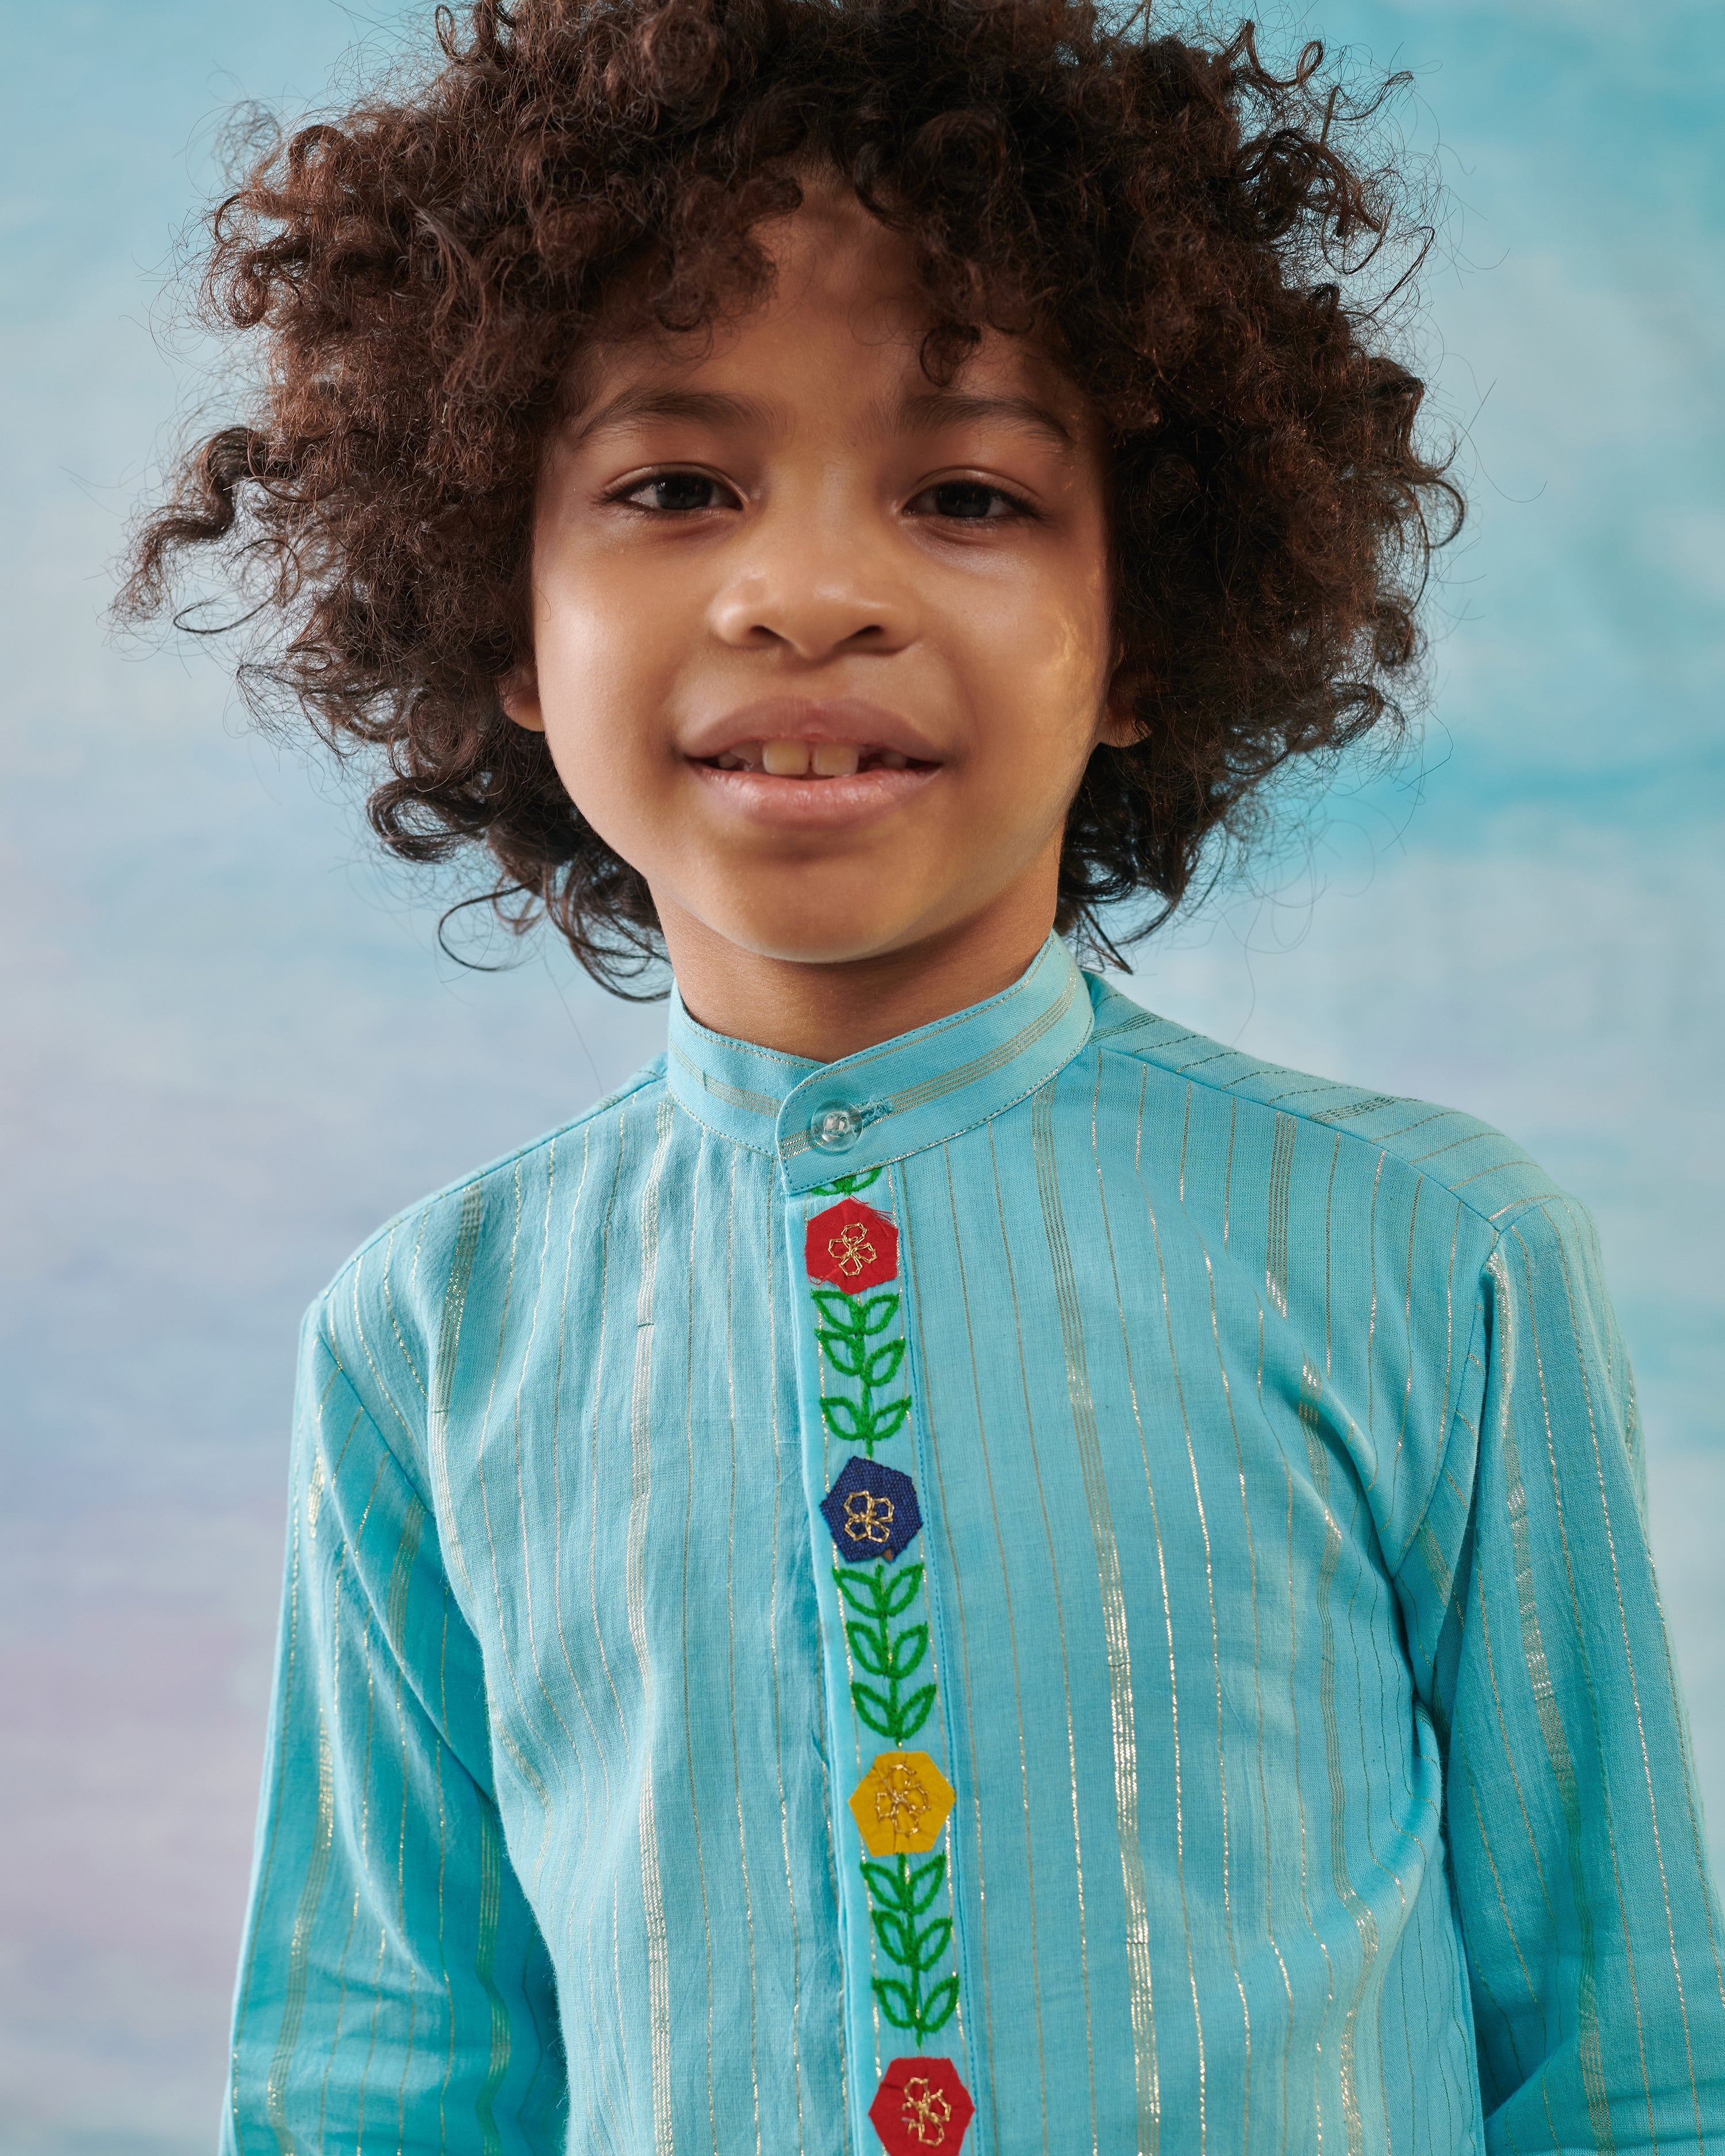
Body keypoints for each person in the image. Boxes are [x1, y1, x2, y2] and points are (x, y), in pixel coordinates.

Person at [125, 1, 1725, 2149]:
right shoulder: (429, 1335)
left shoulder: (1438, 1259)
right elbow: (382, 2078)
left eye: (967, 493)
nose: (806, 594)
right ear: (505, 618)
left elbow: (1633, 2058)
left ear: (1143, 628)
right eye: (674, 487)